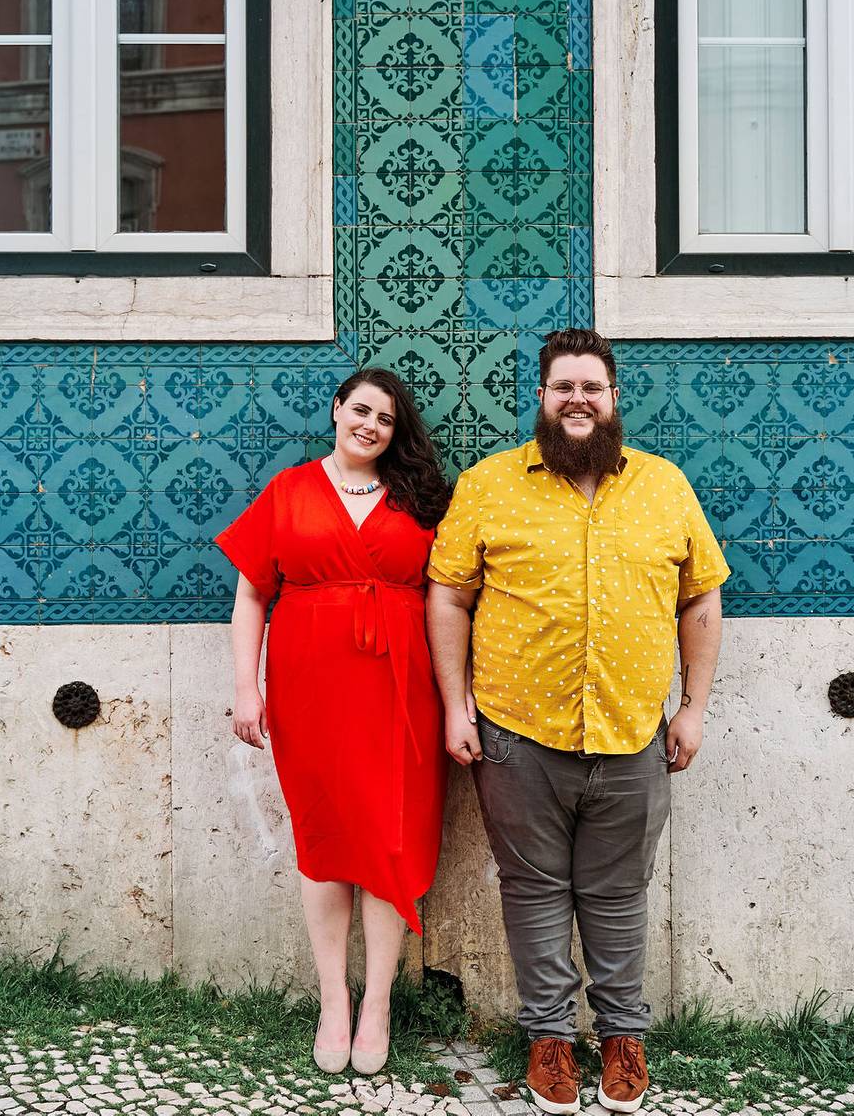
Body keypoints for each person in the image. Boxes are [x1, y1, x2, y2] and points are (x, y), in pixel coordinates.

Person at [426, 328, 728, 1115]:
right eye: (563, 387)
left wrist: (692, 709)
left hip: (634, 734)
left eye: (591, 387)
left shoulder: (664, 486)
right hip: (515, 735)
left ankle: (623, 1036)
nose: (578, 400)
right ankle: (550, 1038)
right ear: (541, 397)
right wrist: (457, 706)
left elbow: (700, 596)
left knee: (619, 892)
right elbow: (449, 595)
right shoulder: (489, 485)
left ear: (614, 398)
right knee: (532, 891)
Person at [216, 366, 453, 1076]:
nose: (371, 426)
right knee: (323, 843)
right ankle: (333, 1002)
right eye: (361, 410)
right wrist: (246, 689)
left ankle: (377, 1002)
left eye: (385, 418)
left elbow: (451, 598)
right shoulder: (289, 491)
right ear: (336, 410)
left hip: (400, 692)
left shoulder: (418, 500)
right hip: (310, 691)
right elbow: (252, 596)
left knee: (389, 840)